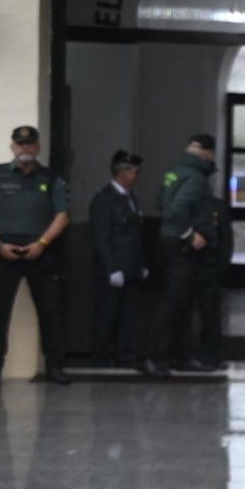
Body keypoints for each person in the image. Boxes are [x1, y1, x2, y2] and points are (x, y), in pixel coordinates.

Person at [0, 125, 70, 386]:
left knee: (50, 312)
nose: (25, 147)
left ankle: (55, 367)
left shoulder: (51, 178)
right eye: (20, 143)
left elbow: (62, 215)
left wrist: (42, 243)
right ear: (12, 147)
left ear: (38, 147)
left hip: (40, 252)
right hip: (5, 253)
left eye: (30, 143)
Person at [141, 134, 216, 378]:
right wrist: (189, 234)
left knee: (183, 303)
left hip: (168, 242)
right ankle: (148, 356)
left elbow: (160, 201)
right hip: (181, 247)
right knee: (173, 303)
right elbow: (177, 209)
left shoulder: (175, 172)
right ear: (208, 154)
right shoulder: (196, 178)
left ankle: (180, 356)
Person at [88, 150, 146, 368]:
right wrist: (112, 268)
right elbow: (101, 238)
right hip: (112, 270)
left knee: (127, 316)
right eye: (134, 171)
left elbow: (135, 235)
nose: (137, 176)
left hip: (131, 268)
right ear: (122, 172)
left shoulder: (131, 198)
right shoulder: (104, 200)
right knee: (107, 316)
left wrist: (142, 264)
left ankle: (123, 356)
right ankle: (101, 358)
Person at [184, 189, 233, 372]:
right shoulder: (184, 207)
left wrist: (221, 264)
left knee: (210, 315)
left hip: (210, 268)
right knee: (185, 314)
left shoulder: (217, 207)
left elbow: (226, 238)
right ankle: (184, 356)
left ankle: (211, 356)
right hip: (187, 267)